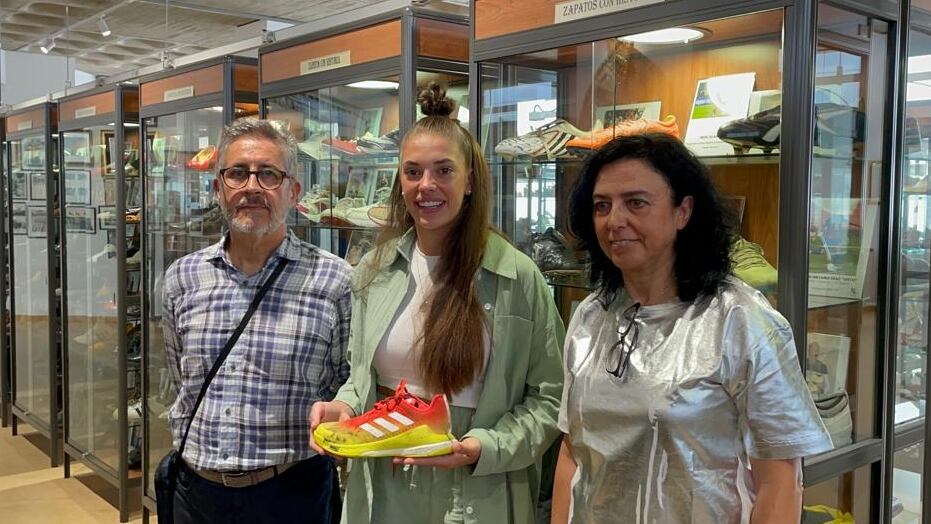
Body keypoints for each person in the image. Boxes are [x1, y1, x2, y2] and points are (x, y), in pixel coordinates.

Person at [309, 84, 565, 524]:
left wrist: (486, 446)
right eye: (412, 172)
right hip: (383, 486)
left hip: (477, 487)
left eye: (444, 170)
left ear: (469, 181)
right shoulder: (375, 270)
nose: (426, 186)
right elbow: (360, 376)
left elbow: (551, 398)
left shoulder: (517, 276)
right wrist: (344, 408)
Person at [551, 134, 832, 524]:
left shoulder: (741, 321)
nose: (615, 221)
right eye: (602, 205)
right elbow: (572, 450)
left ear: (683, 211)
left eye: (636, 203)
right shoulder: (590, 316)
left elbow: (780, 480)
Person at [162, 119, 351, 523]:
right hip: (196, 494)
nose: (252, 186)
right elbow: (183, 379)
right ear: (219, 188)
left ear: (293, 191)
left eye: (268, 174)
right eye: (237, 173)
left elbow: (345, 383)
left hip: (293, 494)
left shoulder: (335, 281)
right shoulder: (182, 277)